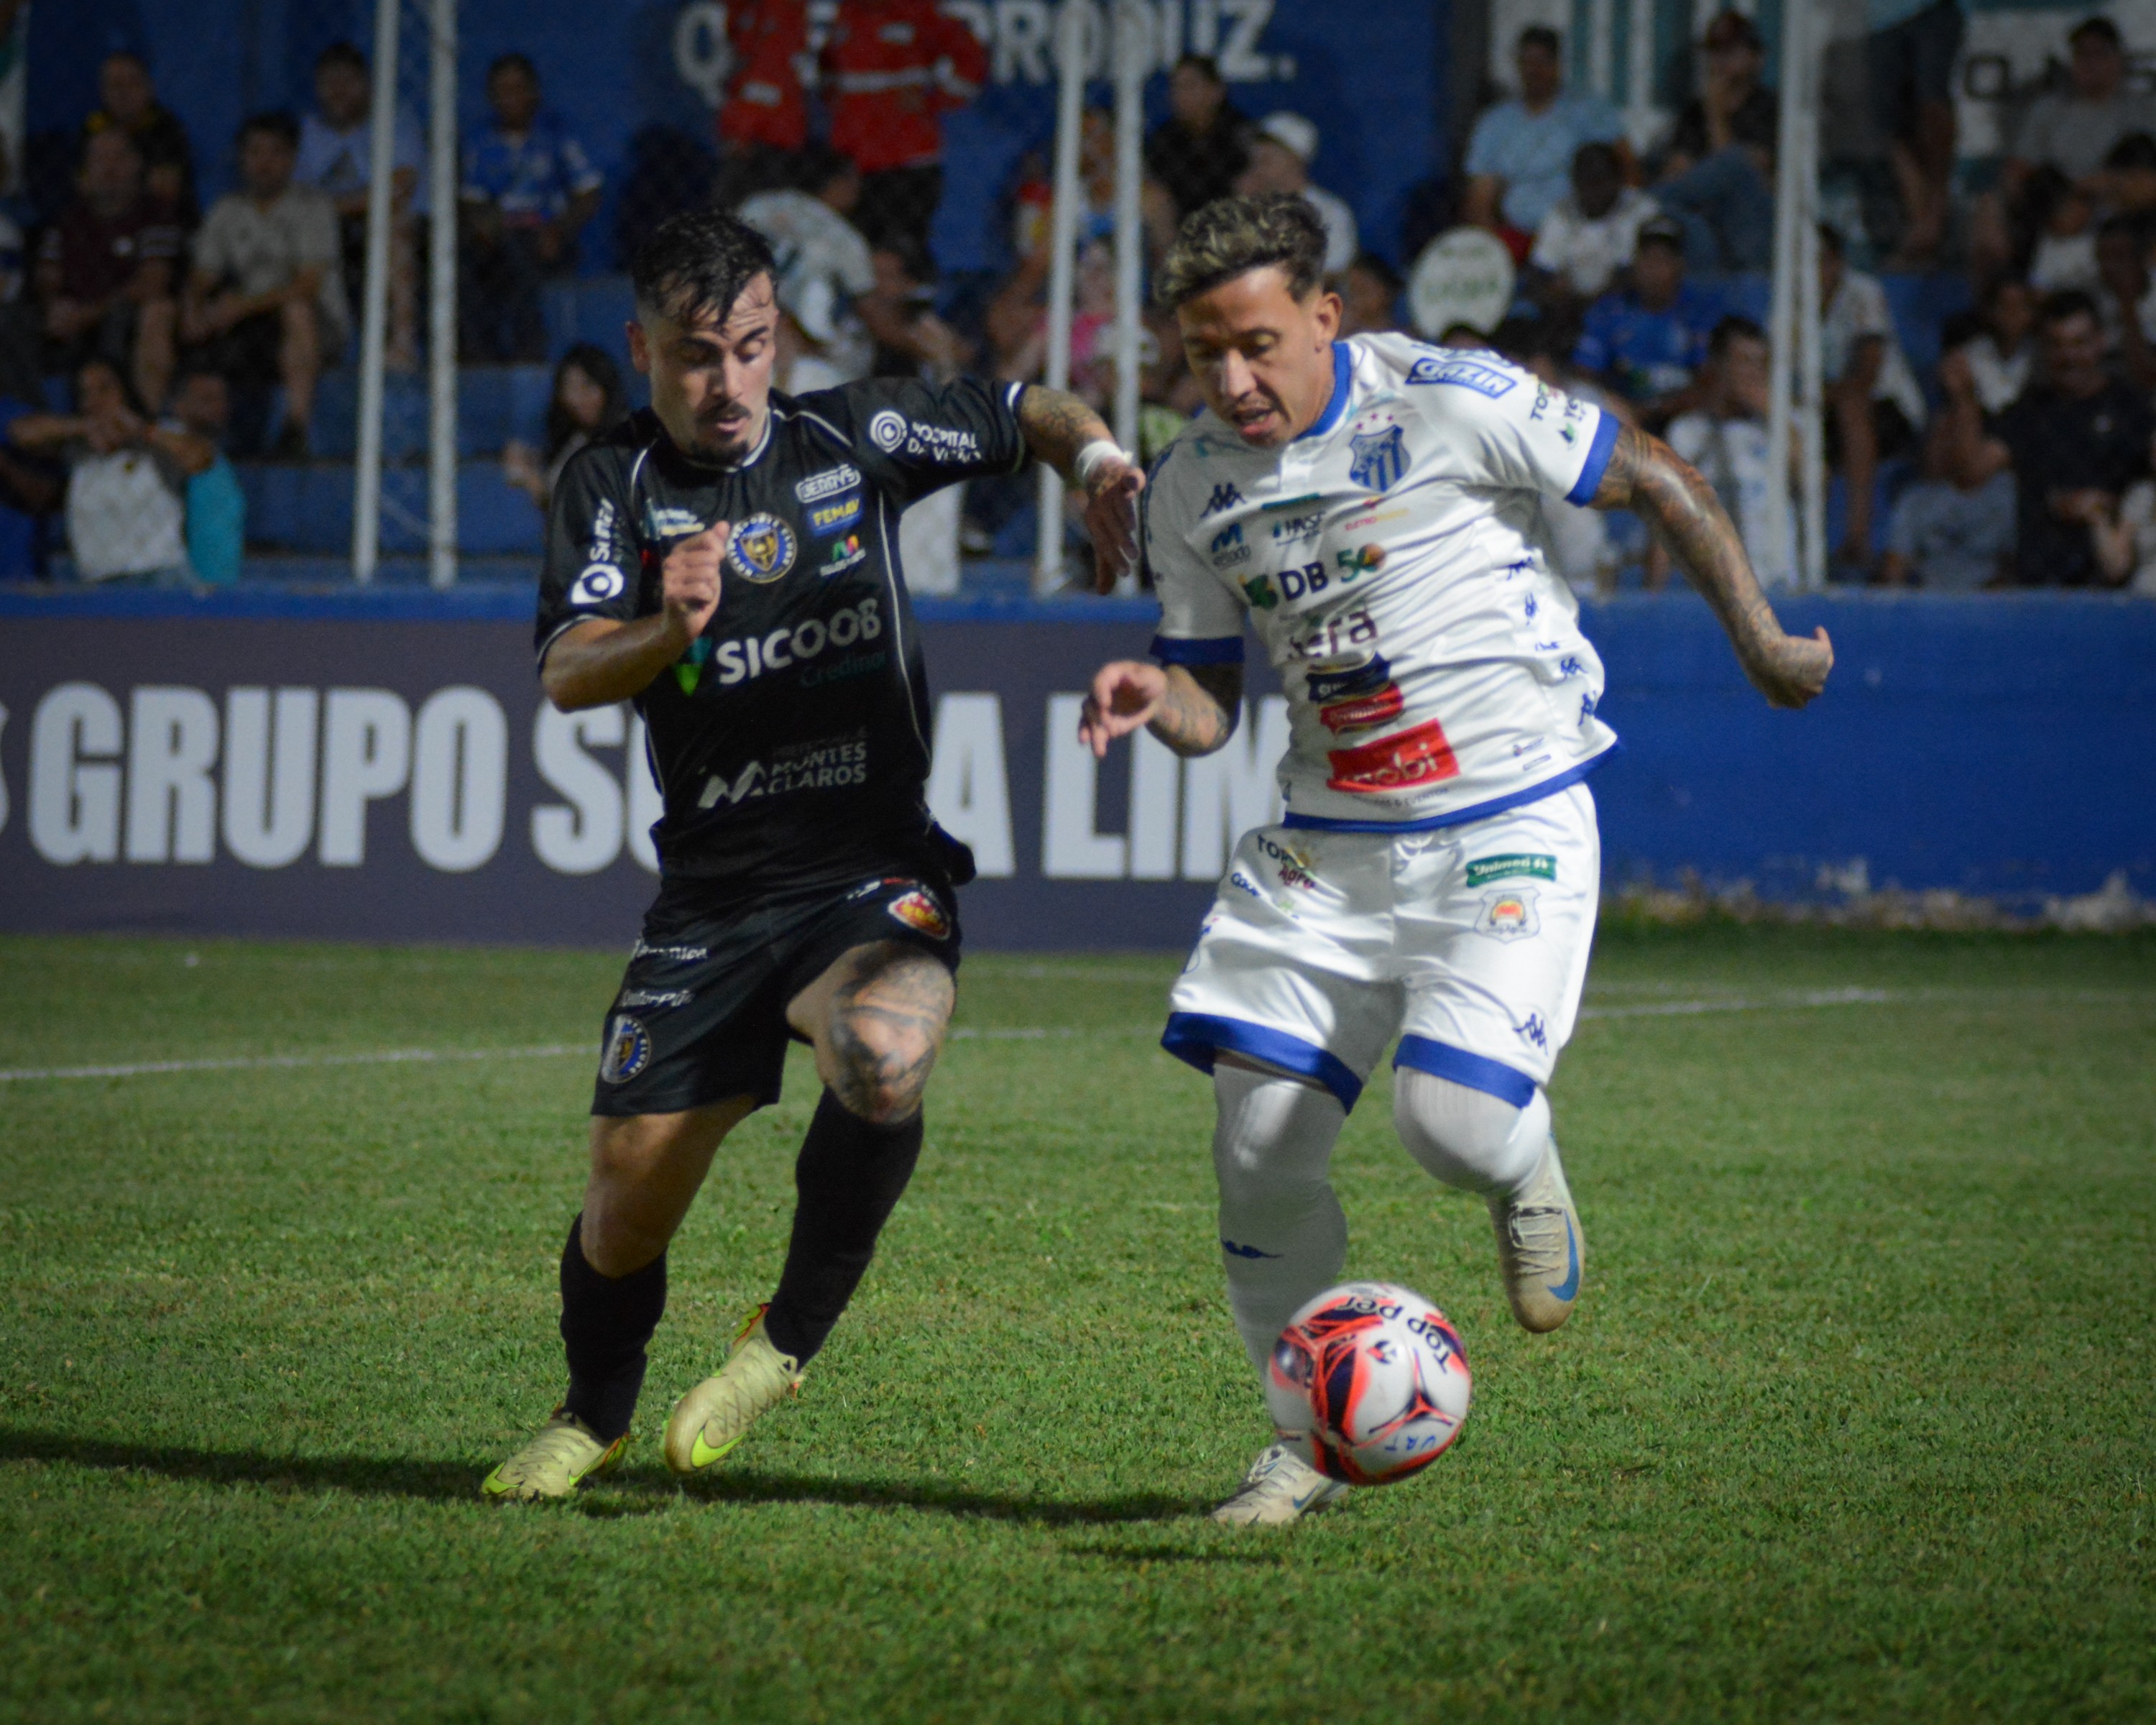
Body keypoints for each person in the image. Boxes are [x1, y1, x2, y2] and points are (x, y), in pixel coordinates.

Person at [1075, 193, 1830, 1526]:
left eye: (1257, 342)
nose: (1233, 380)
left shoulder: (1446, 396)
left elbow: (1650, 469)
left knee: (1454, 1125)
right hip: (1326, 848)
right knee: (1259, 1150)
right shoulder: (1191, 483)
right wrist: (1154, 694)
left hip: (1508, 816)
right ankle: (1303, 1439)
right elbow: (1206, 706)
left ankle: (1518, 1163)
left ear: (1326, 316)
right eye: (1204, 355)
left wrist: (1765, 642)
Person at [481, 205, 1146, 1501]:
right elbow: (565, 672)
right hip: (712, 899)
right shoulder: (607, 485)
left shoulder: (854, 433)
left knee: (887, 1056)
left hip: (870, 865)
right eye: (693, 355)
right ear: (640, 350)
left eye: (748, 346)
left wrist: (1102, 462)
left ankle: (781, 1346)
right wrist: (668, 631)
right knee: (624, 1201)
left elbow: (1030, 409)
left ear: (777, 336)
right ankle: (592, 1409)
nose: (725, 380)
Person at [1939, 289, 2153, 587]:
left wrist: (2105, 509)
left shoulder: (2133, 409)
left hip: (2124, 591)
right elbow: (1970, 474)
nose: (2069, 357)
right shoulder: (2030, 413)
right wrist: (1964, 399)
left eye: (2080, 343)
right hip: (2042, 586)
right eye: (2057, 345)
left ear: (2102, 342)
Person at [183, 113, 347, 459]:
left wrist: (241, 306)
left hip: (317, 324)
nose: (264, 163)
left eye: (275, 153)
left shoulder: (313, 207)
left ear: (291, 160)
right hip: (253, 322)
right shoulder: (227, 210)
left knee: (296, 311)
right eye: (255, 152)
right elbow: (202, 275)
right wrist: (193, 310)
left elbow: (307, 285)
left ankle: (295, 429)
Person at [1973, 17, 2156, 282]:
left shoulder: (2144, 110)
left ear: (2118, 59)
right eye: (2082, 54)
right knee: (2012, 196)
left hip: (2125, 203)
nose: (2091, 63)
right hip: (2063, 204)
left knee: (2139, 150)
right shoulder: (2049, 110)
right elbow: (2018, 171)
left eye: (2100, 53)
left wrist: (2105, 186)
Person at [6, 355, 214, 584]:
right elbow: (20, 433)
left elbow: (200, 458)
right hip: (98, 582)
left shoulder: (158, 439)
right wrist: (84, 426)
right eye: (86, 393)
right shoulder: (78, 449)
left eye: (104, 389)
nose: (95, 401)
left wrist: (141, 432)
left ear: (124, 390)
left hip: (159, 578)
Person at [460, 53, 604, 363]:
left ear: (534, 92)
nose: (510, 98)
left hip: (547, 236)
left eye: (518, 88)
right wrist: (485, 226)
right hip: (499, 237)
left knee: (525, 256)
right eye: (502, 90)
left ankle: (530, 355)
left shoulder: (556, 133)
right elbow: (472, 200)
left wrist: (560, 229)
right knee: (468, 260)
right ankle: (478, 359)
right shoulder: (481, 140)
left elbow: (589, 191)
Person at [821, 0, 987, 258]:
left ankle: (916, 293)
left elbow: (971, 59)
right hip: (855, 159)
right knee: (854, 248)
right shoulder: (845, 14)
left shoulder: (920, 11)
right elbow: (829, 74)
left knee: (906, 249)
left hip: (908, 157)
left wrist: (935, 100)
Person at [295, 41, 423, 372]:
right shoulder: (309, 131)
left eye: (347, 82)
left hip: (388, 224)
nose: (337, 92)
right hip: (330, 227)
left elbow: (400, 188)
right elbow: (296, 198)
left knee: (394, 225)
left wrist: (334, 206)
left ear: (366, 84)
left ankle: (402, 345)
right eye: (328, 83)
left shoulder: (394, 121)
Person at [35, 126, 181, 413]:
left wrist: (88, 314)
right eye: (99, 159)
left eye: (118, 158)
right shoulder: (67, 220)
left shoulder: (156, 215)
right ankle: (30, 425)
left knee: (154, 311)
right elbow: (47, 279)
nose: (109, 167)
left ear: (137, 164)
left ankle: (144, 426)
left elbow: (152, 283)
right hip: (73, 319)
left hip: (123, 317)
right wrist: (53, 306)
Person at [1462, 26, 1626, 254]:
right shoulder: (1495, 123)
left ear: (1558, 64)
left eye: (1542, 61)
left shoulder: (1589, 112)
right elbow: (1480, 198)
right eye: (1527, 62)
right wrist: (1490, 251)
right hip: (1517, 234)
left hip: (1578, 232)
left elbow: (1627, 171)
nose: (1534, 70)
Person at [1660, 316, 1796, 592]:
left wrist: (1773, 414)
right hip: (1712, 595)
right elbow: (1665, 516)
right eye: (1744, 362)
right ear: (1717, 366)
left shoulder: (1787, 427)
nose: (1753, 373)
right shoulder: (1687, 432)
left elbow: (1816, 485)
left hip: (1778, 587)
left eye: (1761, 364)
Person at [1820, 224, 1925, 570]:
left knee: (1853, 406)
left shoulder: (1862, 291)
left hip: (1889, 411)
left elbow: (1865, 376)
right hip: (1824, 411)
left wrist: (1813, 398)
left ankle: (1857, 536)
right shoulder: (1789, 299)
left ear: (1837, 262)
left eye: (1823, 261)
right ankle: (1808, 545)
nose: (1815, 270)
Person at [740, 144, 883, 391]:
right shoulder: (844, 237)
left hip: (742, 326)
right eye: (852, 182)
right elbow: (871, 310)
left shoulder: (758, 206)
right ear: (837, 183)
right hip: (807, 355)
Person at [1652, 9, 1777, 272]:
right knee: (1675, 216)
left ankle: (1640, 206)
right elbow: (1677, 173)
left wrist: (1716, 116)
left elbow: (1740, 173)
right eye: (1715, 52)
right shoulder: (1694, 112)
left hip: (1750, 223)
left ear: (1755, 58)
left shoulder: (1770, 108)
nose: (1720, 61)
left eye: (1730, 52)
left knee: (1735, 163)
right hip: (1703, 223)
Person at [1572, 216, 1718, 431]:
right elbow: (1584, 372)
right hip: (1621, 410)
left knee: (1689, 431)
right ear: (1634, 263)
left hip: (1677, 414)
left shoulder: (1699, 312)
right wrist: (1621, 405)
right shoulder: (1610, 310)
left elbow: (1708, 380)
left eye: (1663, 260)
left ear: (1679, 266)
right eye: (1647, 259)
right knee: (1581, 396)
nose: (1654, 270)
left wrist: (1657, 409)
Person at [1866, 0, 1963, 266]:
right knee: (1890, 126)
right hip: (1877, 17)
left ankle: (1935, 209)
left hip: (1929, 8)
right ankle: (1920, 218)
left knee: (1931, 103)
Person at [1878, 410, 2014, 590]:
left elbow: (2014, 564)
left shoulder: (2003, 492)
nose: (1943, 445)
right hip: (1930, 600)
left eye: (1952, 434)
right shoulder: (1915, 499)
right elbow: (1894, 569)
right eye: (1938, 436)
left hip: (1988, 601)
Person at [1529, 142, 1659, 315]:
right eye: (1588, 181)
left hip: (1628, 307)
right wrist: (1554, 292)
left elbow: (1635, 275)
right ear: (1575, 182)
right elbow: (1540, 273)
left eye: (1602, 180)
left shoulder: (1642, 210)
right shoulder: (1560, 215)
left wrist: (1588, 304)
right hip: (1570, 309)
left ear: (1619, 179)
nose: (1595, 190)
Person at [502, 342, 628, 519]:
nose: (578, 398)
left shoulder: (626, 440)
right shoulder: (577, 438)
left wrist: (536, 487)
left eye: (588, 386)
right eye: (570, 388)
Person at [713, 0, 811, 206]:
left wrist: (742, 131)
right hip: (757, 134)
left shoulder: (779, 9)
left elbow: (769, 76)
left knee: (744, 213)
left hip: (767, 140)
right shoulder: (746, 10)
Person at [1233, 113, 1356, 275]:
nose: (1259, 153)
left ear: (1295, 159)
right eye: (1259, 145)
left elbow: (1333, 271)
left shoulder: (1329, 210)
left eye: (1271, 148)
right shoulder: (1247, 204)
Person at [80, 50, 195, 221]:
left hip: (160, 221)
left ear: (149, 87)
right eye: (115, 85)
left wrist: (111, 181)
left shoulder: (166, 127)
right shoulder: (94, 126)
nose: (123, 93)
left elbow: (167, 187)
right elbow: (83, 184)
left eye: (131, 84)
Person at [1146, 54, 1255, 220]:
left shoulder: (1240, 133)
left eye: (1189, 86)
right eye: (1176, 87)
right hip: (1180, 229)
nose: (1180, 95)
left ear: (1216, 91)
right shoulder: (1165, 138)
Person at [166, 362, 245, 586]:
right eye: (206, 400)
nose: (218, 407)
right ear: (179, 405)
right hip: (180, 591)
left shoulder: (221, 463)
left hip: (223, 593)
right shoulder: (165, 457)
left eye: (221, 398)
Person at [2093, 213, 2156, 388]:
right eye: (2103, 258)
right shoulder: (2091, 297)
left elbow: (2148, 376)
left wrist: (2128, 307)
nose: (2109, 267)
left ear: (2143, 257)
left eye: (2120, 257)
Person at [1962, 276, 2036, 414]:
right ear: (1991, 311)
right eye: (2006, 307)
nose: (2013, 315)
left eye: (2020, 307)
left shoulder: (2041, 355)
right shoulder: (1971, 354)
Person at [1337, 253, 1404, 338]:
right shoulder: (1347, 336)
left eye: (1363, 290)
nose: (1356, 299)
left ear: (1386, 291)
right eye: (1351, 291)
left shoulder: (1403, 337)